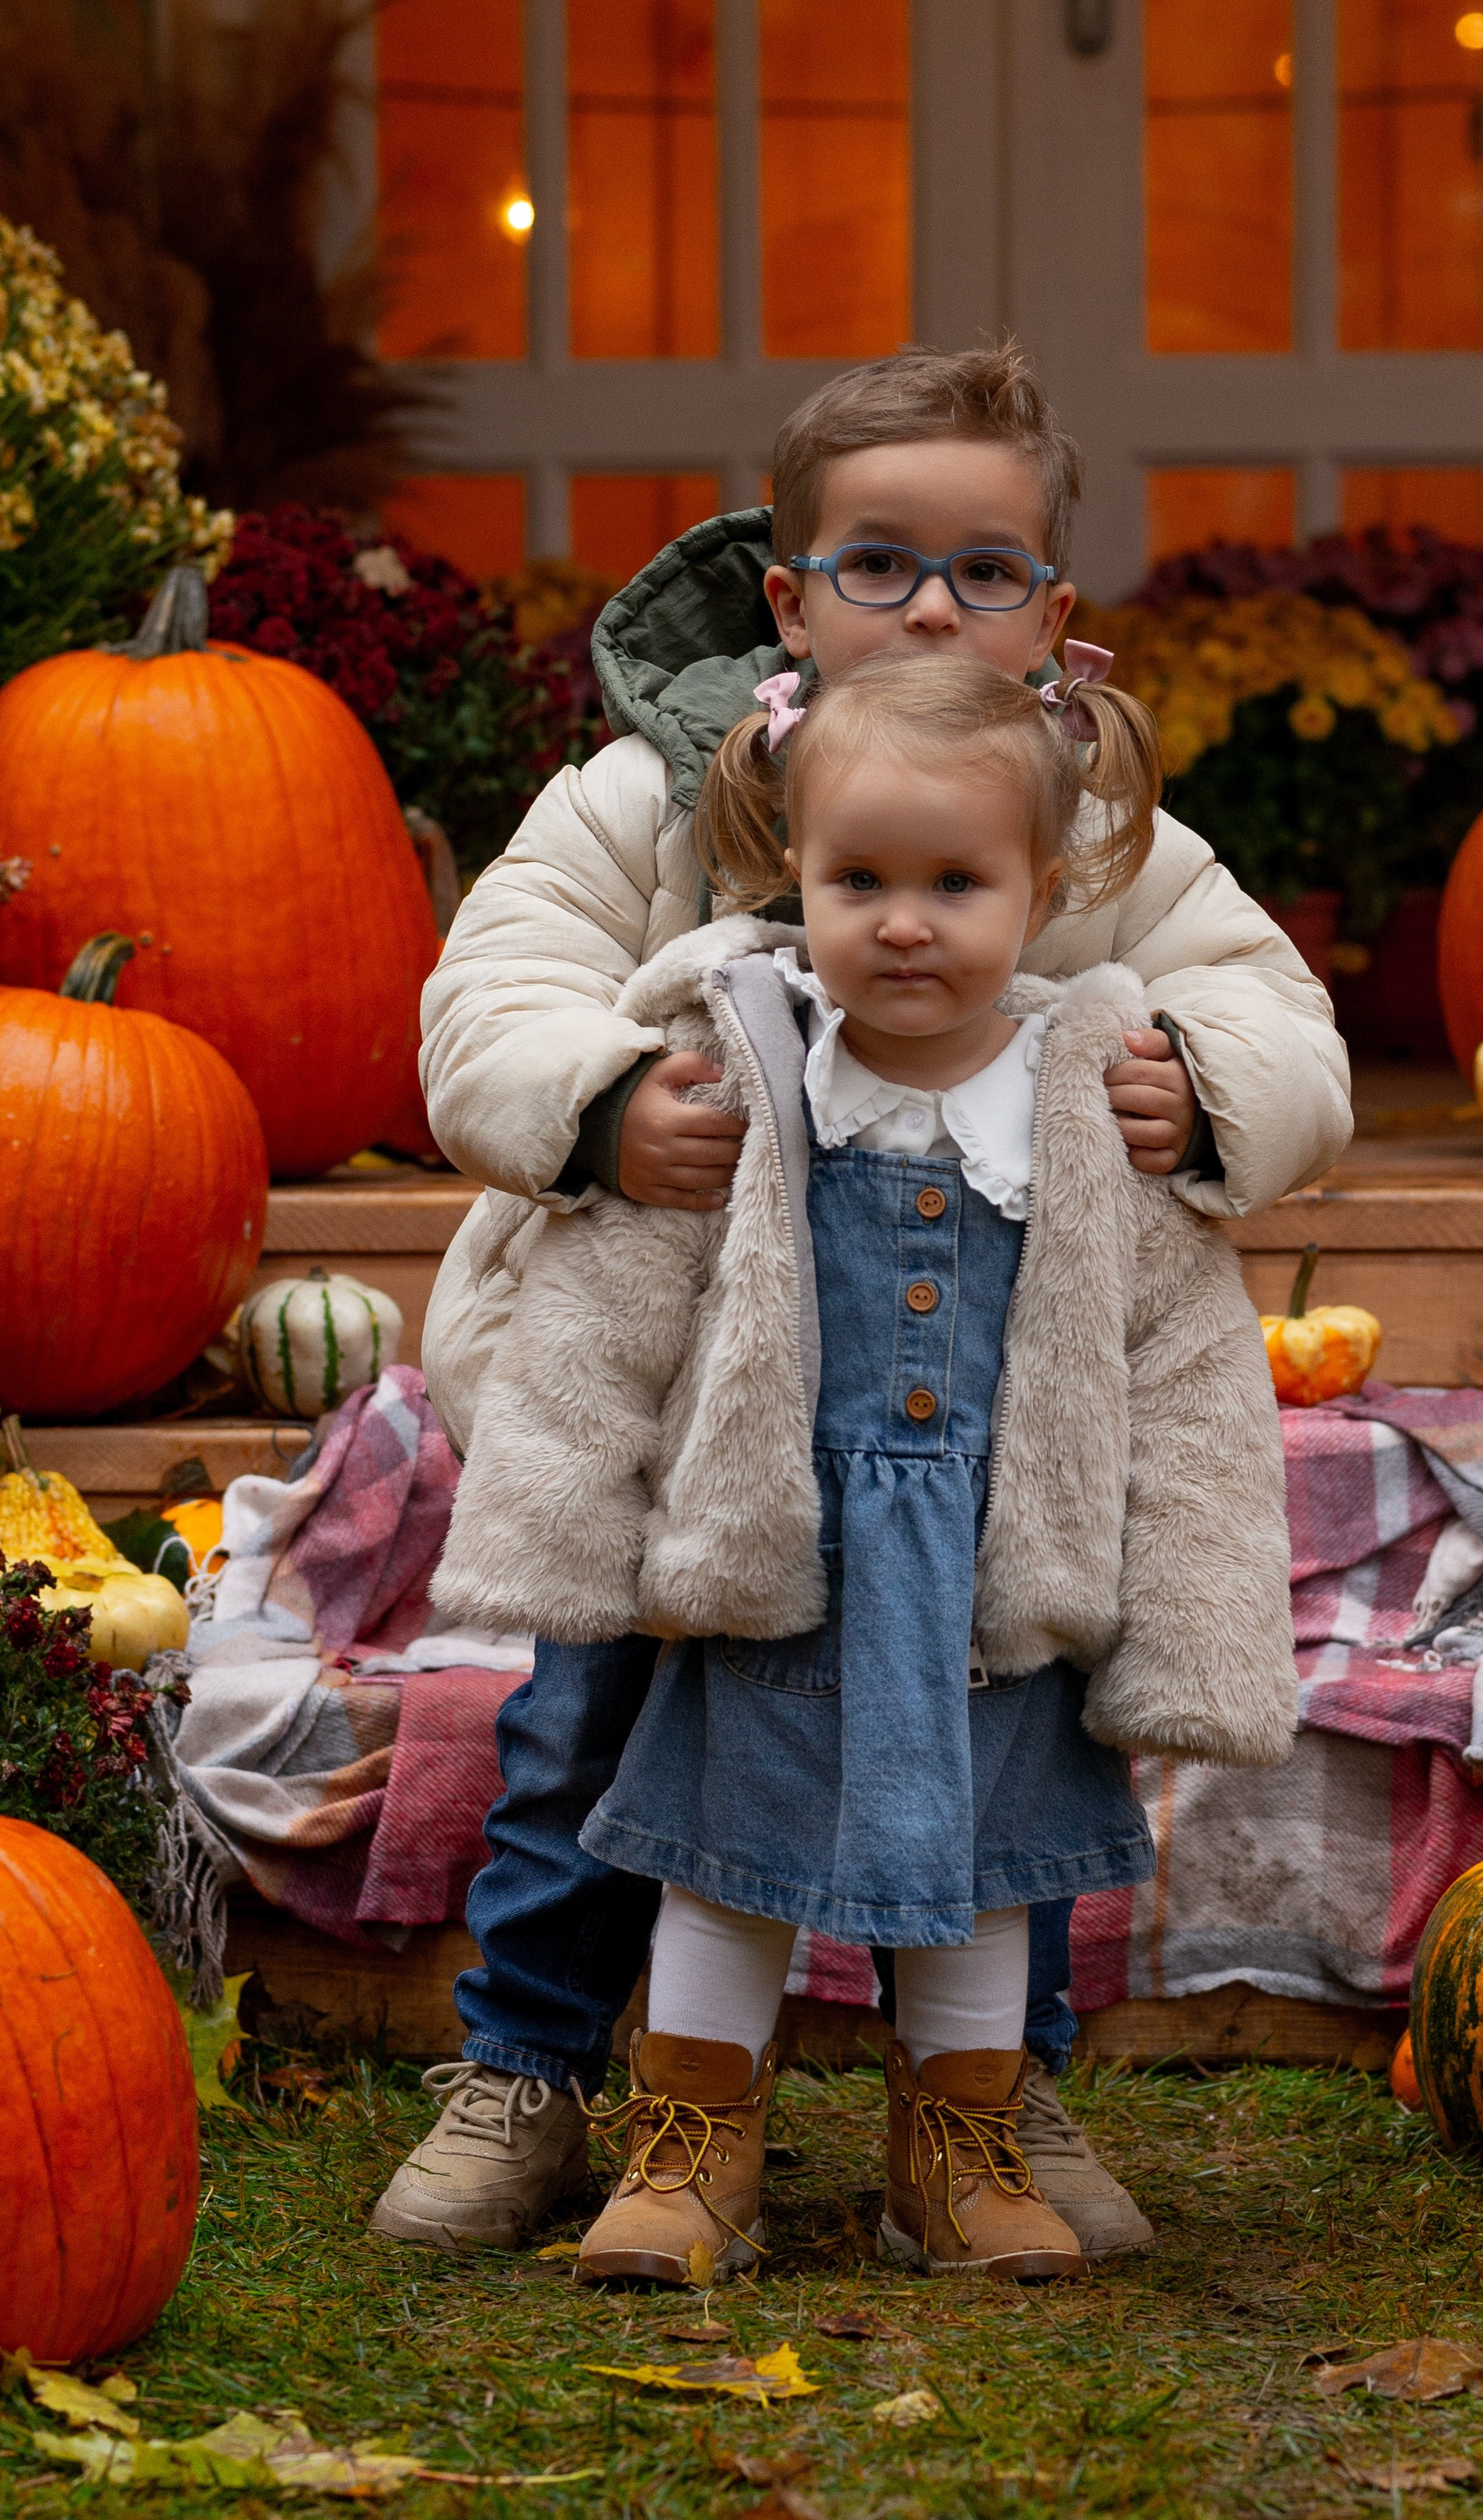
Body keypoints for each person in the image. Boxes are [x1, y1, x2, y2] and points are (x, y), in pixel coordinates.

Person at [371, 339, 1351, 2258]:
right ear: (787, 598)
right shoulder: (647, 800)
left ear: (1052, 613)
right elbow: (492, 984)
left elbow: (1272, 1004)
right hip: (674, 1410)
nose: (929, 605)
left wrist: (1202, 1081)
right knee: (588, 1738)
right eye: (880, 562)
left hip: (968, 1413)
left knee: (1000, 1752)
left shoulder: (1093, 827)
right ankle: (535, 2065)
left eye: (985, 570)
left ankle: (988, 2100)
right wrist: (600, 1100)